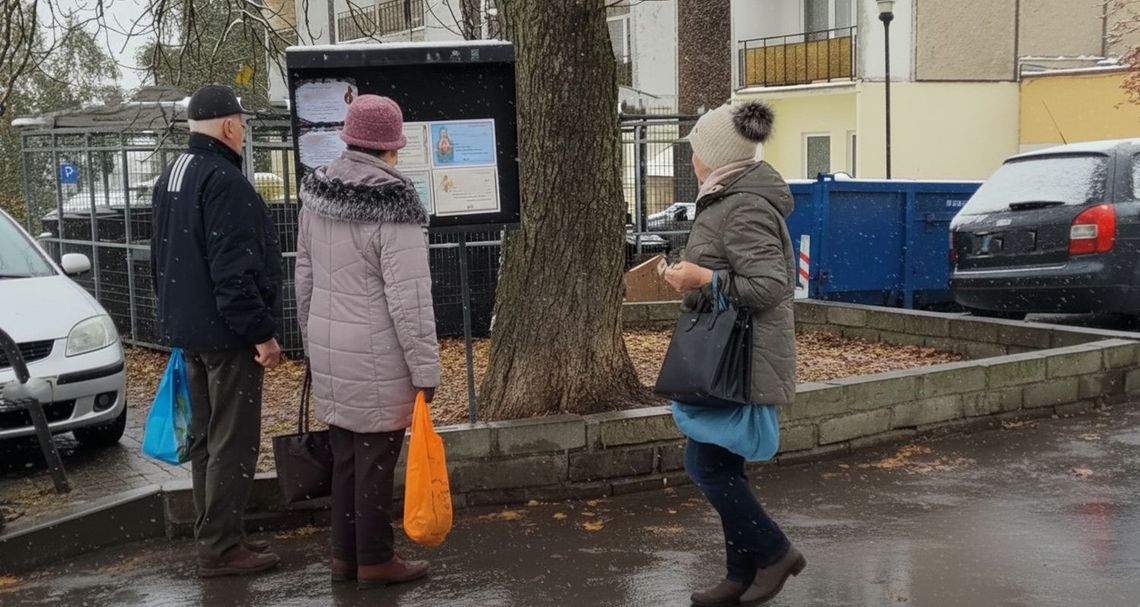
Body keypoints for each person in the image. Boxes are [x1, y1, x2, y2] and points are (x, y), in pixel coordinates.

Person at [662, 101, 805, 607]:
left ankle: (775, 553)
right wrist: (692, 278)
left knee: (709, 468)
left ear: (714, 157)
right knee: (723, 468)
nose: (691, 161)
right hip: (730, 355)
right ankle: (739, 575)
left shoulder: (742, 205)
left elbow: (770, 285)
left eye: (695, 152)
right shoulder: (726, 199)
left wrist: (703, 278)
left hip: (738, 360)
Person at [295, 94, 441, 589]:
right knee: (377, 459)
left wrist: (312, 341)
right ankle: (376, 559)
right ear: (391, 147)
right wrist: (426, 370)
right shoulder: (394, 206)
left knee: (348, 460)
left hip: (331, 348)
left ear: (349, 139)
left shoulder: (317, 194)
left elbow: (304, 277)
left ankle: (344, 557)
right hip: (379, 355)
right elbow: (410, 300)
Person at [150, 84, 284, 577]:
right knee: (232, 441)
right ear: (229, 127)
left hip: (190, 332)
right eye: (243, 124)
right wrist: (262, 333)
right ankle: (222, 547)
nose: (244, 132)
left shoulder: (174, 174)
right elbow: (235, 273)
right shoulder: (225, 182)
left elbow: (162, 259)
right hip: (228, 338)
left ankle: (216, 535)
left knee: (206, 441)